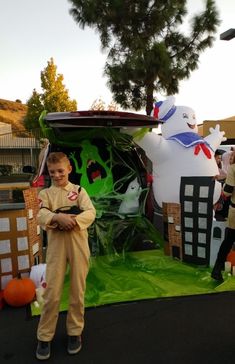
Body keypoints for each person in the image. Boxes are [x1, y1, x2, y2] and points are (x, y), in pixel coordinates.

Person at [35, 152, 96, 360]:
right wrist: (57, 217)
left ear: (69, 169)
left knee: (77, 291)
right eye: (52, 172)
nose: (57, 175)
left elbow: (90, 212)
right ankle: (44, 336)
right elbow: (41, 214)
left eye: (60, 170)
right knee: (52, 292)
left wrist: (73, 222)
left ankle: (75, 332)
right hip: (56, 248)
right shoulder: (46, 194)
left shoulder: (79, 191)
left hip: (78, 244)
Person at [211, 151, 235, 282]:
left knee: (229, 240)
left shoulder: (233, 168)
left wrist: (223, 188)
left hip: (234, 211)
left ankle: (217, 268)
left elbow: (228, 191)